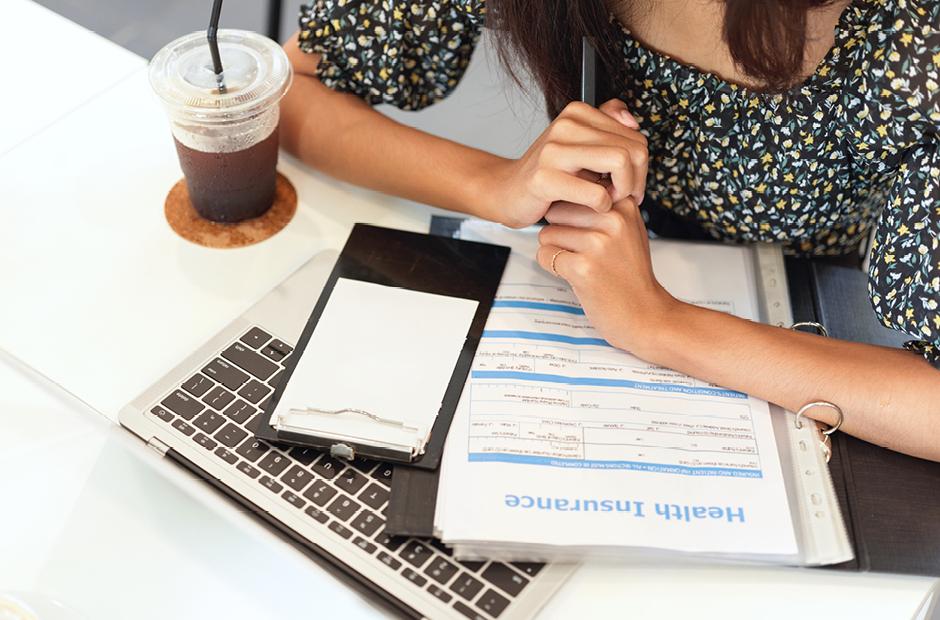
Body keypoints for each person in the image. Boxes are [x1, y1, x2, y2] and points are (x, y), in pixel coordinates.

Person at [278, 0, 940, 461]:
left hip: (825, 306)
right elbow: (286, 91)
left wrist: (660, 323)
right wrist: (497, 187)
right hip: (611, 274)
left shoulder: (915, 43)